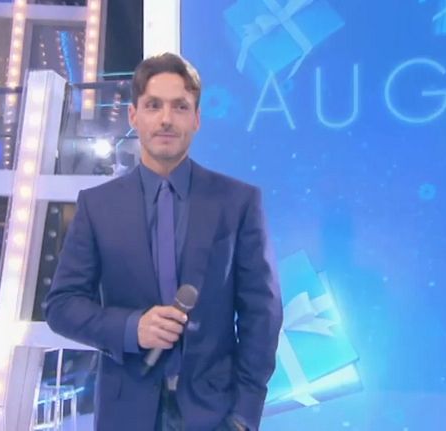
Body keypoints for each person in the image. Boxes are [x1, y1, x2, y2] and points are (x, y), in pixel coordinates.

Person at [43, 52, 282, 431]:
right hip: (125, 414)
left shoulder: (238, 202)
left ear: (197, 119)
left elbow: (262, 312)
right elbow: (61, 306)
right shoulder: (97, 206)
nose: (166, 119)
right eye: (154, 105)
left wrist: (244, 415)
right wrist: (130, 328)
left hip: (215, 415)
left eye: (180, 106)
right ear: (133, 116)